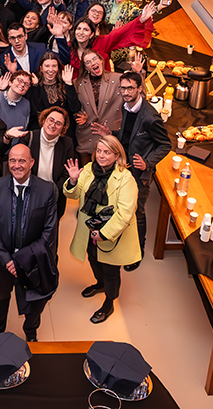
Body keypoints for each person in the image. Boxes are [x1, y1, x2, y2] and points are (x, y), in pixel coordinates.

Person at [91, 71, 171, 268]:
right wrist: (111, 134)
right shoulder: (127, 106)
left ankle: (138, 252)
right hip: (123, 166)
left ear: (140, 89)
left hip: (139, 172)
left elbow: (166, 145)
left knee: (137, 211)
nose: (126, 92)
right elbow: (129, 135)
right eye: (123, 88)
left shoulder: (151, 118)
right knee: (122, 206)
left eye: (130, 88)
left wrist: (148, 162)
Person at [0, 144, 59, 342]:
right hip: (4, 260)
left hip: (33, 259)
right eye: (12, 161)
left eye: (22, 161)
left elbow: (49, 232)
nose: (16, 165)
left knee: (33, 298)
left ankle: (31, 330)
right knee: (1, 296)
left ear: (31, 163)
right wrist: (8, 261)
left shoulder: (47, 190)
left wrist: (23, 260)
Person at [63, 135, 140, 323]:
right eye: (99, 151)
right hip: (89, 229)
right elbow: (73, 194)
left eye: (107, 152)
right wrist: (73, 181)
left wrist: (103, 234)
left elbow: (125, 213)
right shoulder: (89, 169)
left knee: (111, 270)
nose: (101, 155)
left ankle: (109, 302)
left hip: (112, 234)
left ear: (117, 155)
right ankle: (100, 283)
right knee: (93, 259)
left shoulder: (126, 179)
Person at [23, 106, 77, 224]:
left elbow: (66, 174)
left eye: (58, 123)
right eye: (51, 120)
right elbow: (20, 168)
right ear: (43, 120)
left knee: (50, 232)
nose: (53, 125)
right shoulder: (29, 138)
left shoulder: (67, 143)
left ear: (63, 128)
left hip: (53, 198)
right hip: (29, 195)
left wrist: (50, 191)